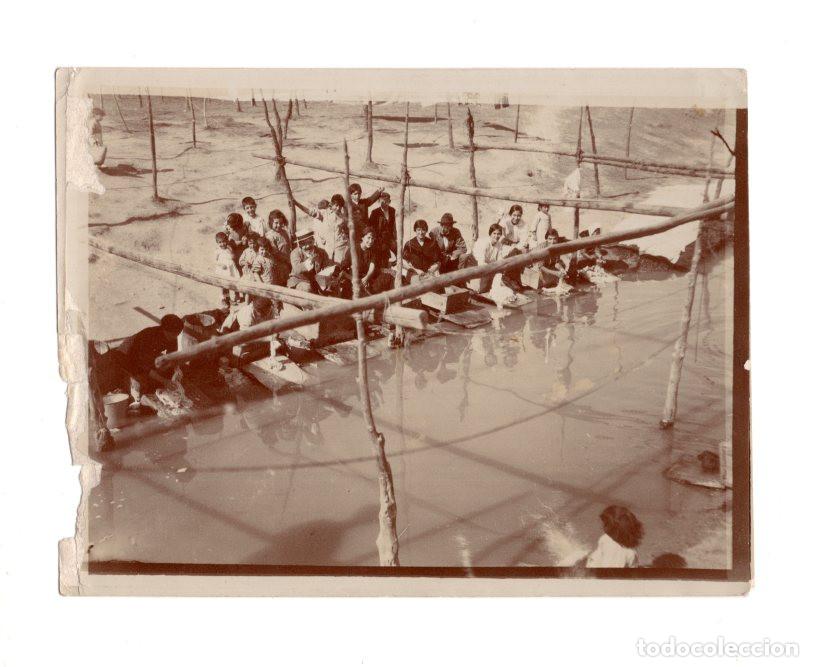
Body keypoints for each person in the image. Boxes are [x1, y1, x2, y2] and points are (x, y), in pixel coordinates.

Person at [91, 315, 185, 410]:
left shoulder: (172, 336)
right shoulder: (148, 336)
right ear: (164, 329)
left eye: (177, 334)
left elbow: (171, 356)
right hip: (126, 356)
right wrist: (163, 381)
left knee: (166, 373)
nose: (175, 337)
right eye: (173, 334)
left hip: (146, 356)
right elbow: (143, 365)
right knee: (143, 383)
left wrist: (176, 370)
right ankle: (139, 398)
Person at [333, 227, 392, 297]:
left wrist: (367, 278)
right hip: (354, 278)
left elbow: (372, 266)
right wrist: (353, 279)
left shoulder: (373, 250)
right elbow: (344, 268)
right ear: (362, 238)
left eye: (372, 238)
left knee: (388, 278)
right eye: (368, 238)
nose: (370, 241)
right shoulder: (354, 250)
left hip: (367, 277)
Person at [309, 194, 349, 262]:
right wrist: (297, 204)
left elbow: (347, 231)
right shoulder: (325, 214)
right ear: (332, 204)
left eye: (340, 206)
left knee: (340, 266)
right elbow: (313, 213)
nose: (338, 208)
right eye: (336, 205)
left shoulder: (343, 218)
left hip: (341, 247)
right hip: (329, 248)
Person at [402, 219, 441, 284]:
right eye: (418, 230)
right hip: (414, 274)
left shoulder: (432, 243)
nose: (421, 232)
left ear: (426, 230)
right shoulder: (409, 244)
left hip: (429, 273)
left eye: (423, 229)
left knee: (434, 285)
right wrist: (415, 270)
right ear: (415, 230)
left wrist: (432, 269)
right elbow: (404, 262)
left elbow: (438, 261)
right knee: (418, 286)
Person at [368, 191, 396, 266]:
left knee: (396, 247)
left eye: (386, 201)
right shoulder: (375, 212)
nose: (384, 203)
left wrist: (394, 237)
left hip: (389, 238)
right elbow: (371, 227)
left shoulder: (392, 210)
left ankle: (393, 265)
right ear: (379, 201)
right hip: (379, 238)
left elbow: (393, 225)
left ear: (389, 202)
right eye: (382, 201)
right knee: (382, 250)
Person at [214, 232, 240, 307]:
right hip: (223, 270)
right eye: (220, 242)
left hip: (230, 268)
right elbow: (215, 261)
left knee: (228, 284)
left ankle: (228, 299)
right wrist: (221, 265)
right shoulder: (217, 251)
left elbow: (233, 257)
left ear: (227, 241)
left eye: (224, 241)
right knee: (223, 285)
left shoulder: (229, 248)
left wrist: (231, 252)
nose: (222, 244)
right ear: (217, 243)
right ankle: (223, 299)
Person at [267, 210, 293, 282]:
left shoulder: (284, 232)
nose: (278, 225)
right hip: (278, 263)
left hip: (288, 261)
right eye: (276, 223)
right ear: (271, 222)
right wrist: (287, 260)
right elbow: (275, 252)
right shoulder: (270, 236)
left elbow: (289, 246)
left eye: (281, 223)